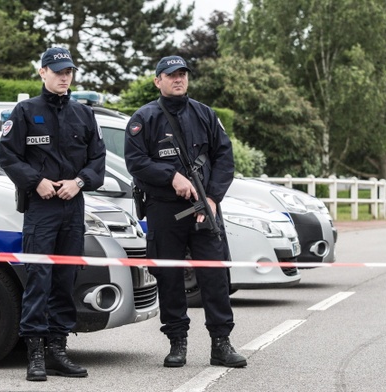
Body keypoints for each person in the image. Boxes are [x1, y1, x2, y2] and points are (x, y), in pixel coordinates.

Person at [124, 55, 247, 369]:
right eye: (171, 75)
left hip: (204, 209)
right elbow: (136, 162)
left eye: (182, 74)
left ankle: (221, 344)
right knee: (169, 278)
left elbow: (224, 159)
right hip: (164, 210)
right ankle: (177, 343)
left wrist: (215, 199)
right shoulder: (144, 118)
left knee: (214, 276)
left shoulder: (205, 114)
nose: (178, 79)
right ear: (158, 81)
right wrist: (171, 177)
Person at [0, 47, 106, 381]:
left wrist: (79, 181)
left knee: (65, 280)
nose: (64, 77)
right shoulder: (25, 111)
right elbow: (8, 156)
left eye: (68, 71)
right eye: (57, 71)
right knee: (39, 279)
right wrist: (37, 182)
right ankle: (35, 355)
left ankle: (58, 350)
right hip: (41, 208)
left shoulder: (84, 115)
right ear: (42, 72)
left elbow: (98, 162)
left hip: (73, 207)